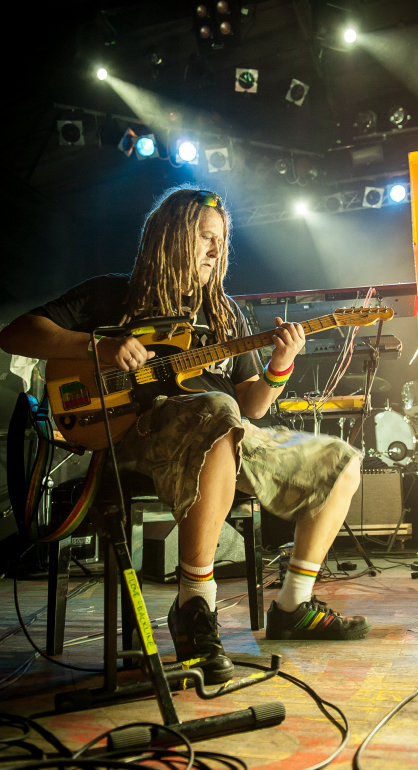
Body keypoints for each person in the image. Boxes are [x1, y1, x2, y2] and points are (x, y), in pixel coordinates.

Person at [0, 186, 371, 685]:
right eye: (204, 238)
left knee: (340, 460)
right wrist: (98, 347)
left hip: (226, 432)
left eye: (221, 239)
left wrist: (279, 366)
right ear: (170, 239)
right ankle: (195, 606)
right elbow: (16, 333)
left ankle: (294, 605)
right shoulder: (113, 295)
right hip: (140, 435)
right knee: (217, 412)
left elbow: (254, 405)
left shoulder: (225, 315)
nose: (217, 250)